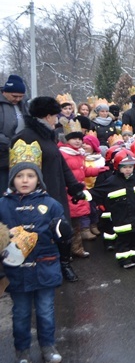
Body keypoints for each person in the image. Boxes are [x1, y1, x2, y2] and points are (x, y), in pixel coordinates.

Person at [0, 139, 70, 363]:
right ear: (13, 178)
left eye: (30, 176)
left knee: (45, 312)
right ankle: (22, 350)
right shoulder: (3, 205)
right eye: (19, 176)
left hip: (45, 266)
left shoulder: (50, 204)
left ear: (38, 179)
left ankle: (48, 346)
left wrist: (62, 231)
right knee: (20, 314)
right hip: (16, 270)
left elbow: (62, 234)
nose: (24, 180)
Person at [12, 96, 87, 283]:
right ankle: (43, 269)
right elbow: (23, 175)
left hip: (57, 192)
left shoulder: (48, 135)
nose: (57, 120)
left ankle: (64, 263)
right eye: (55, 116)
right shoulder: (27, 138)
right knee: (43, 234)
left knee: (62, 231)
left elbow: (61, 164)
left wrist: (74, 187)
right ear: (46, 116)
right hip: (40, 197)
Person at [91, 149, 135, 269]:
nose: (128, 169)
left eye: (130, 166)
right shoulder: (112, 181)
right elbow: (98, 192)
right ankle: (124, 260)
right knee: (123, 241)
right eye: (124, 167)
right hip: (121, 218)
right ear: (117, 167)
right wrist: (81, 194)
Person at [58, 120, 107, 257]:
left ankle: (75, 248)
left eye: (80, 138)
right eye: (74, 138)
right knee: (70, 224)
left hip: (77, 191)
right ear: (67, 139)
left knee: (76, 223)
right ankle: (71, 250)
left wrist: (98, 170)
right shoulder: (63, 154)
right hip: (69, 192)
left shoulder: (78, 154)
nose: (78, 141)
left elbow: (83, 170)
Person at [0, 75, 29, 192]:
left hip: (21, 155)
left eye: (20, 97)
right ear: (5, 92)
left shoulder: (24, 105)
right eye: (14, 96)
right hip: (3, 155)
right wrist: (9, 143)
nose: (17, 99)